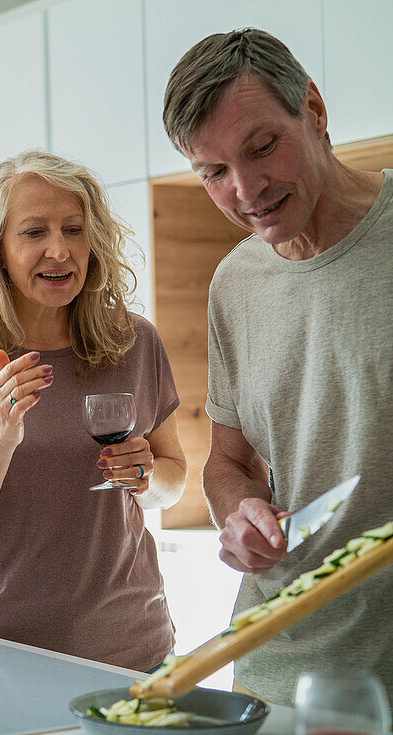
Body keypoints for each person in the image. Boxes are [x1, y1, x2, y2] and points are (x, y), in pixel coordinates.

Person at [163, 28, 392, 704]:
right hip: (275, 675)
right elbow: (226, 463)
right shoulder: (234, 283)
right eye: (213, 171)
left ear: (313, 110)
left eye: (262, 147)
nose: (246, 189)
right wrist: (240, 515)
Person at [0, 150, 187, 671]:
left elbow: (174, 477)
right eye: (34, 232)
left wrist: (145, 475)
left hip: (133, 648)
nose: (59, 250)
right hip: (0, 654)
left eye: (74, 229)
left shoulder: (134, 342)